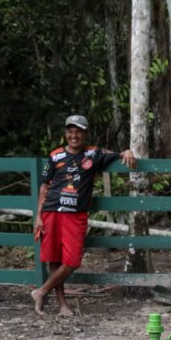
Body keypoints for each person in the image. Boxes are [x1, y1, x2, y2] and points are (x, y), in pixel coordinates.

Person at [32, 114, 136, 315]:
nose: (74, 135)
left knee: (72, 261)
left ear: (85, 134)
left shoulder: (94, 154)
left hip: (76, 215)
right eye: (70, 131)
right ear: (66, 133)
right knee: (54, 259)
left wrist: (128, 151)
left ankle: (41, 291)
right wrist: (38, 216)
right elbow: (44, 187)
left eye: (78, 132)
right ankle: (62, 305)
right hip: (51, 211)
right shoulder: (55, 156)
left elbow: (119, 154)